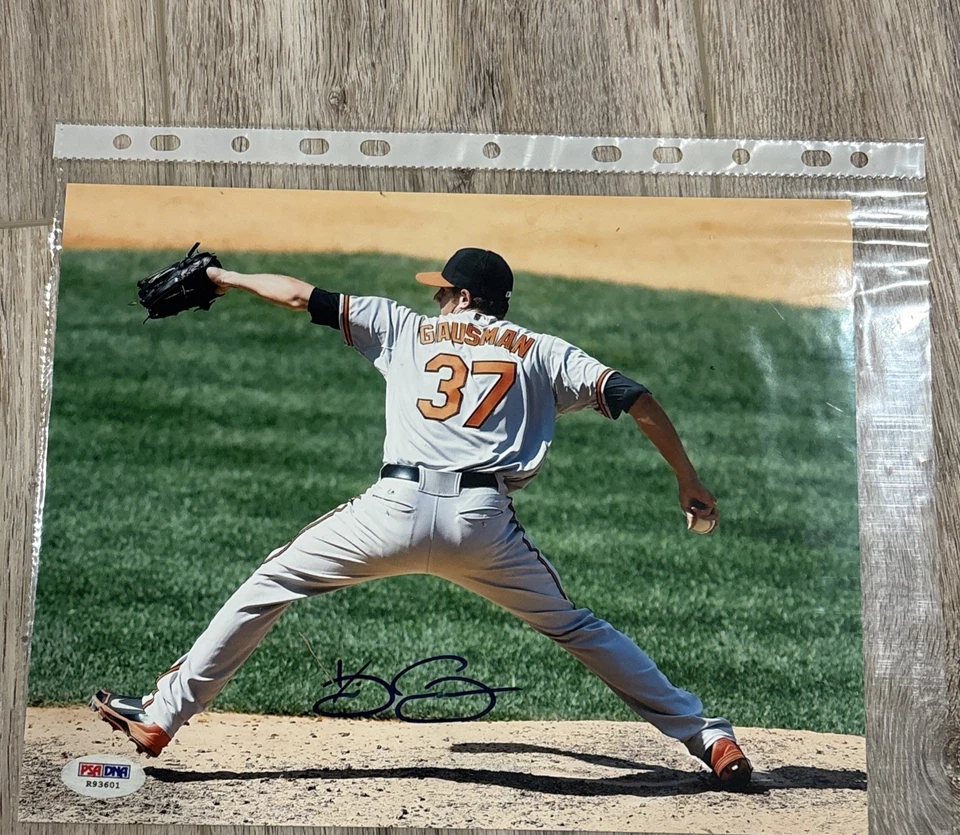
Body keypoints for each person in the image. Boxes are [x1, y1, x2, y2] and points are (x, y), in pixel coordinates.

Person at [91, 247, 752, 790]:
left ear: (463, 296)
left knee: (274, 582)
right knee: (578, 628)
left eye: (443, 290)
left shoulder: (401, 325)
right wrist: (687, 478)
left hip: (392, 513)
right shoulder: (542, 351)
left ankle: (162, 714)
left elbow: (298, 295)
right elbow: (634, 395)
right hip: (483, 526)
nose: (437, 298)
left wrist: (220, 276)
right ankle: (706, 736)